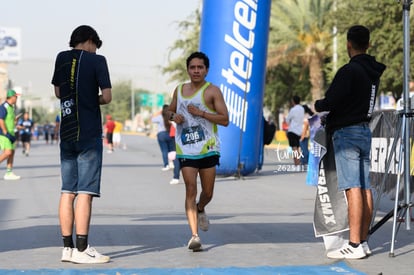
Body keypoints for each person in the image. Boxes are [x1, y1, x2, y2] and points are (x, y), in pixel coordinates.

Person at [314, 25, 386, 259]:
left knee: (352, 187)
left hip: (346, 133)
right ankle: (363, 242)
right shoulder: (372, 73)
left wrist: (319, 105)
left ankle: (354, 244)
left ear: (348, 44)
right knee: (365, 187)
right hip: (365, 130)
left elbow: (331, 101)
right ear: (368, 44)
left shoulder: (349, 70)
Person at [52, 25, 112, 264]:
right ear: (90, 41)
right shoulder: (98, 61)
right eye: (95, 47)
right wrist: (91, 99)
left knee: (67, 191)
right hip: (88, 133)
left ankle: (67, 248)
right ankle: (83, 248)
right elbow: (107, 97)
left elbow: (58, 92)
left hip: (66, 132)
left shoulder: (61, 58)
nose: (95, 51)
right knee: (85, 193)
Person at [167, 51, 229, 251]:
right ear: (188, 69)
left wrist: (201, 113)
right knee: (190, 189)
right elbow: (169, 109)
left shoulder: (213, 91)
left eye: (200, 67)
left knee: (208, 192)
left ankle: (201, 208)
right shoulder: (179, 89)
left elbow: (225, 119)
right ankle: (194, 236)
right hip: (185, 148)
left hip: (208, 148)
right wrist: (173, 116)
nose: (196, 71)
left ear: (206, 70)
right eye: (192, 67)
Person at [0, 89, 21, 180]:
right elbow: (0, 119)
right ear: (11, 97)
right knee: (7, 152)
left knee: (12, 153)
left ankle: (9, 173)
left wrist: (15, 122)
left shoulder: (11, 107)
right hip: (5, 134)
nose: (16, 98)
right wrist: (5, 131)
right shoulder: (3, 106)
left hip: (12, 133)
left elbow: (10, 121)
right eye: (16, 97)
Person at [151, 105, 174, 171]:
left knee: (164, 150)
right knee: (171, 150)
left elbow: (152, 119)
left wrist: (158, 112)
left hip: (161, 134)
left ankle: (166, 165)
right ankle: (172, 163)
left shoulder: (160, 117)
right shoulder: (171, 116)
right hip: (170, 134)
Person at [286, 95, 304, 171]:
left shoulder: (293, 110)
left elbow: (287, 120)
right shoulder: (302, 109)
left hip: (292, 130)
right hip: (299, 131)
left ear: (293, 101)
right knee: (298, 147)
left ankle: (296, 165)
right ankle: (298, 164)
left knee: (294, 148)